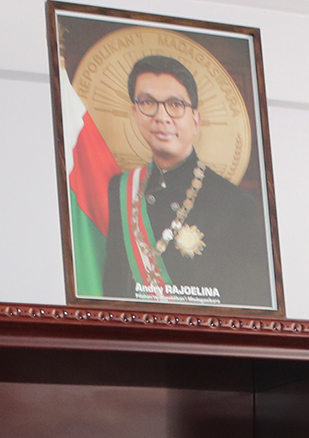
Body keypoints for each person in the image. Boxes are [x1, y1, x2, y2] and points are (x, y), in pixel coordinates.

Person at [100, 54, 274, 309]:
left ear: (195, 120)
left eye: (175, 104)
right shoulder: (121, 189)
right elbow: (113, 288)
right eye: (148, 102)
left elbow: (249, 302)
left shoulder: (236, 204)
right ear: (135, 113)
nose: (161, 117)